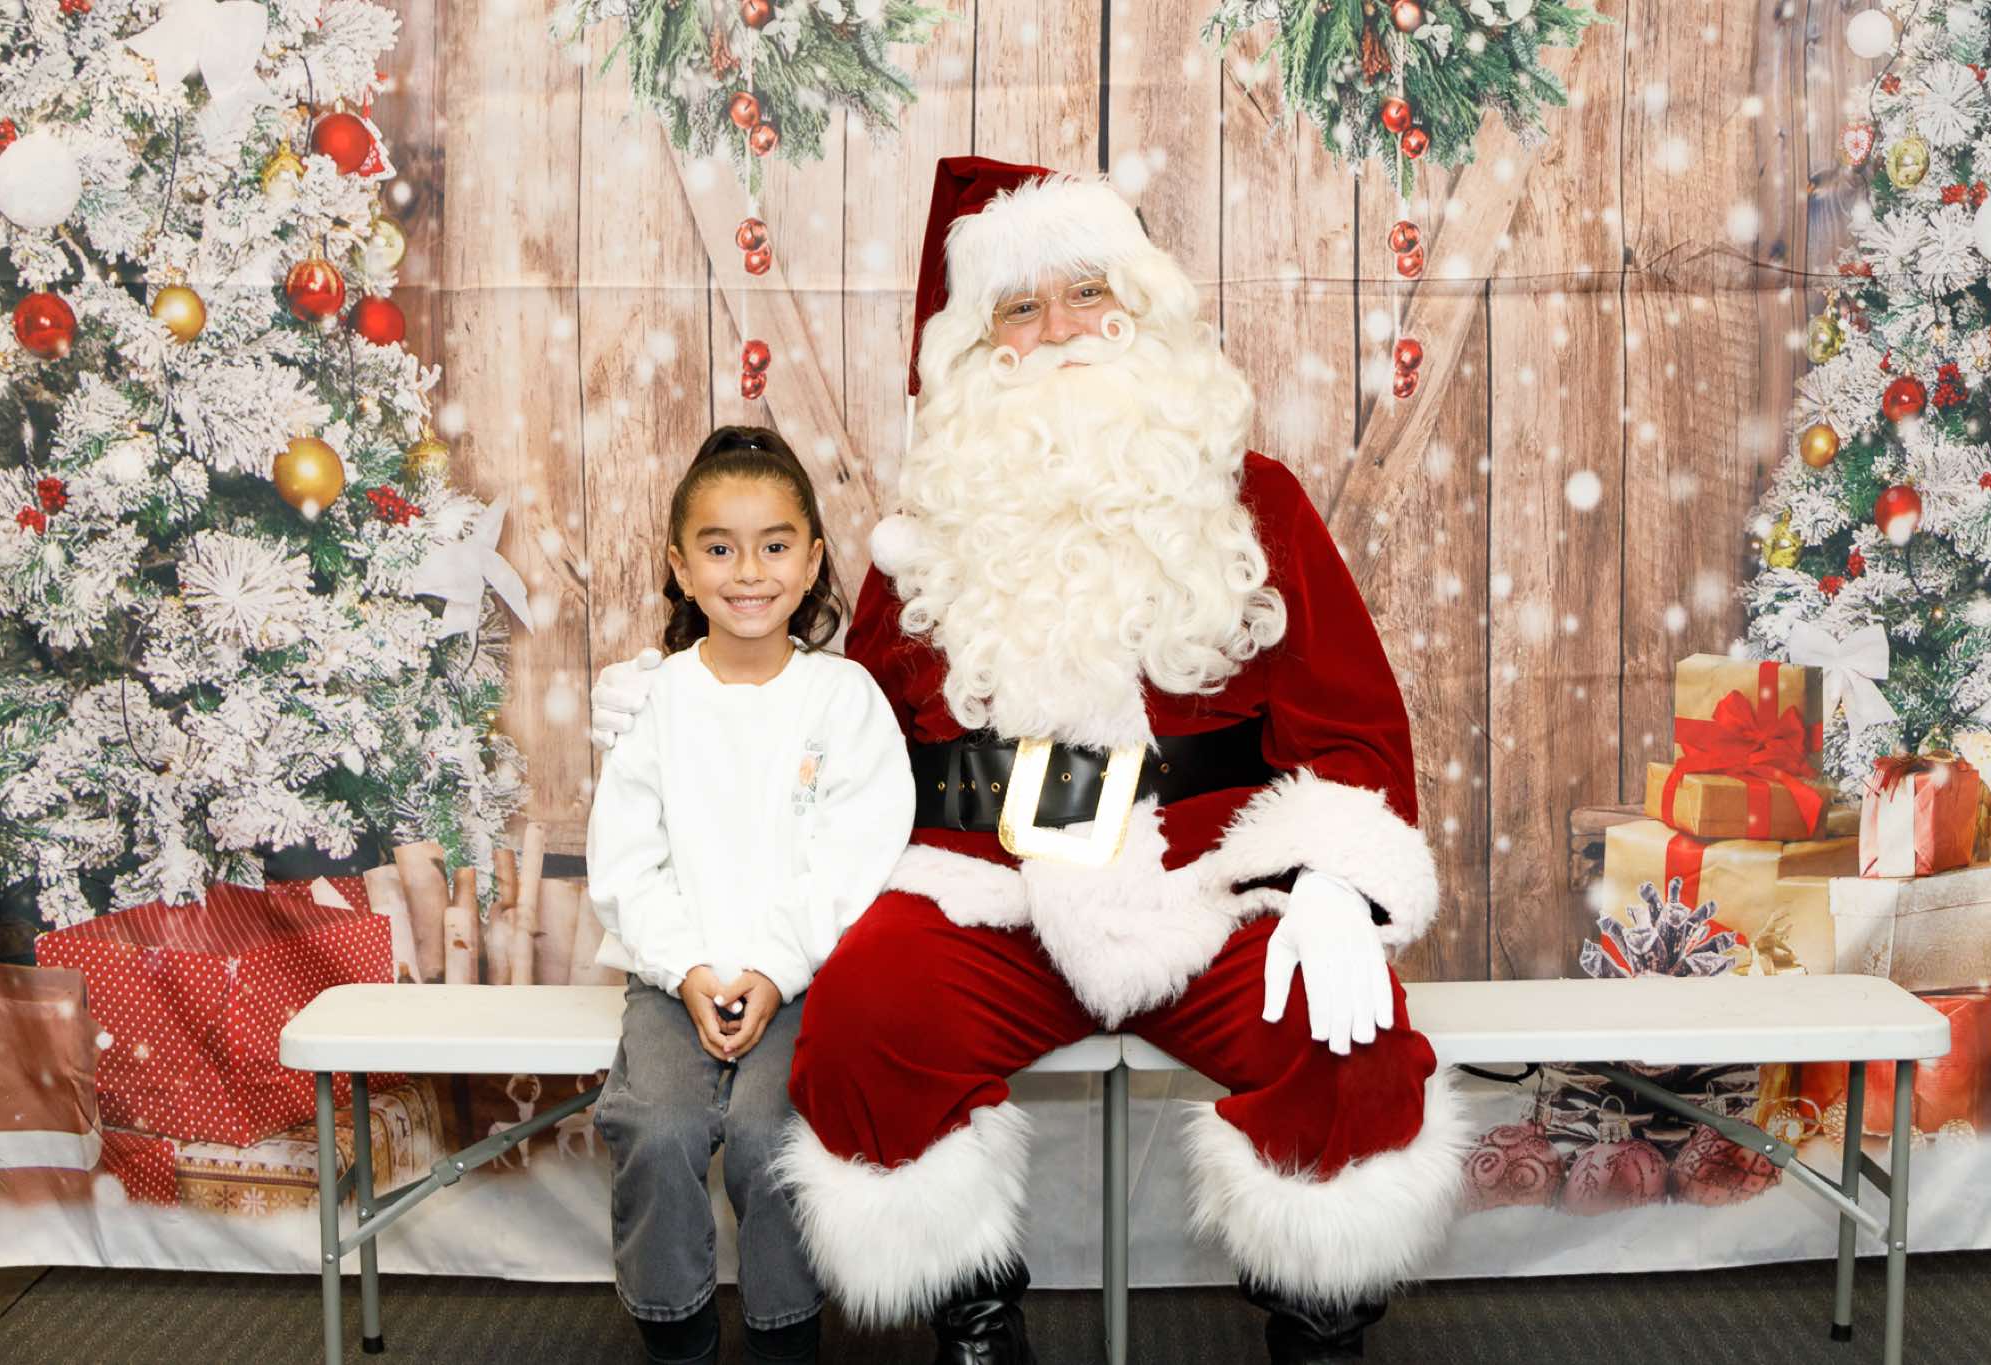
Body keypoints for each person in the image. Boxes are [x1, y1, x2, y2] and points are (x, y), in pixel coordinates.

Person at [593, 161, 1462, 1365]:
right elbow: (844, 731)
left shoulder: (1255, 501)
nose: (1056, 329)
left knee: (1348, 1037)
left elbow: (1352, 718)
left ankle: (1318, 1319)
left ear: (1141, 307)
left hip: (1212, 885)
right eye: (1018, 306)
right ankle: (973, 1306)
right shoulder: (926, 531)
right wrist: (689, 702)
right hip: (988, 886)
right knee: (865, 1022)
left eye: (1085, 292)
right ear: (973, 345)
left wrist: (1331, 881)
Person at [585, 426, 915, 1365]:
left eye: (774, 546)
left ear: (811, 561)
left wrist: (774, 967)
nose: (749, 573)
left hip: (803, 977)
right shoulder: (656, 702)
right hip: (673, 976)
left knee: (775, 1137)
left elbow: (855, 853)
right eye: (720, 549)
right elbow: (628, 860)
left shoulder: (843, 699)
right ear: (681, 568)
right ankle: (677, 1332)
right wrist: (687, 966)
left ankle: (783, 1335)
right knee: (656, 1125)